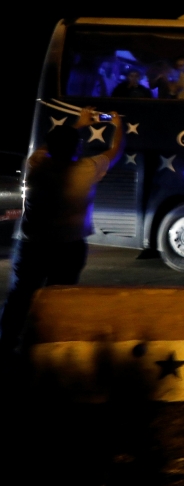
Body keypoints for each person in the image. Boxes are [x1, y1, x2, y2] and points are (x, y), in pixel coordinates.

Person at [0, 108, 124, 366]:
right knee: (61, 297)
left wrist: (77, 124)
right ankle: (50, 350)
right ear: (77, 148)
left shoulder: (36, 165)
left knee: (20, 297)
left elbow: (46, 147)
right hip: (69, 247)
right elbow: (115, 151)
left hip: (32, 245)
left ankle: (6, 346)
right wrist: (117, 124)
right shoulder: (87, 169)